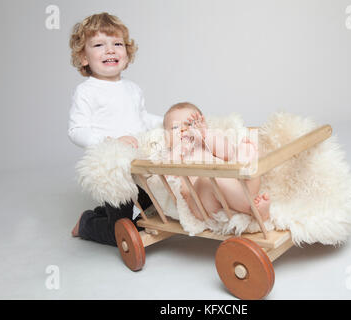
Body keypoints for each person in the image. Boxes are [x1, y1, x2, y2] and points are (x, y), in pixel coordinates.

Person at [68, 12, 162, 246]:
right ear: (84, 58)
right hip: (115, 169)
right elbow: (77, 130)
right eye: (99, 45)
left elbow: (143, 118)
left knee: (155, 208)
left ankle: (108, 213)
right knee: (119, 232)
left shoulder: (132, 88)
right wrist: (110, 140)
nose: (110, 50)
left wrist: (168, 123)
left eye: (117, 44)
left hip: (140, 165)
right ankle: (88, 222)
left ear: (127, 54)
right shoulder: (87, 91)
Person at [163, 102, 271, 221]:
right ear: (166, 138)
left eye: (190, 124)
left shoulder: (206, 144)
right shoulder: (171, 155)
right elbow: (168, 172)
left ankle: (248, 195)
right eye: (175, 127)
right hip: (201, 203)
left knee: (244, 158)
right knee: (208, 178)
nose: (183, 130)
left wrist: (205, 135)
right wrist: (182, 147)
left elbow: (228, 154)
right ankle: (253, 210)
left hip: (231, 188)